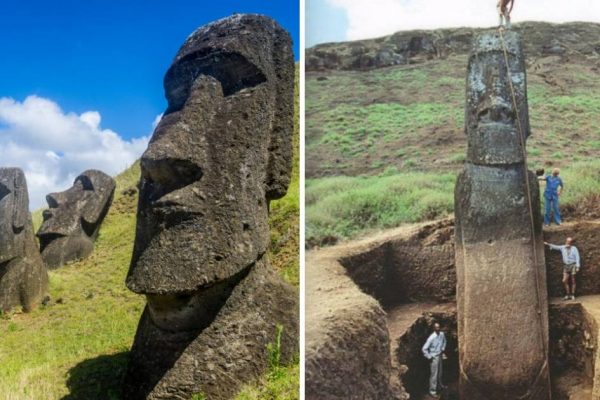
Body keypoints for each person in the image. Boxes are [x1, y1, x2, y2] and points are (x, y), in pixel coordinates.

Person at [422, 322, 446, 397]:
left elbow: (444, 341)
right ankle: (432, 391)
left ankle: (439, 386)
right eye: (436, 327)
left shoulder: (442, 334)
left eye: (439, 327)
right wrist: (429, 356)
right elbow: (424, 349)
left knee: (440, 372)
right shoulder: (431, 338)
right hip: (434, 357)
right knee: (434, 375)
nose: (438, 329)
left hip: (440, 355)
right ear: (434, 329)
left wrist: (442, 349)